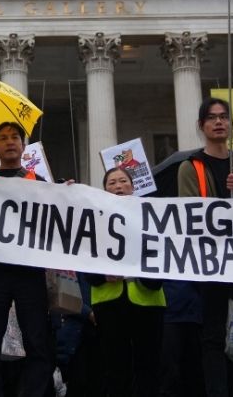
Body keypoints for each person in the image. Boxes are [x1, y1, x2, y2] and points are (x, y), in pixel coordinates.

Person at [176, 98, 233, 397]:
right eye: (212, 117)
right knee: (212, 336)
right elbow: (187, 213)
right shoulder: (190, 168)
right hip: (211, 261)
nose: (219, 122)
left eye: (224, 117)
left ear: (230, 124)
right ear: (202, 125)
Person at [0, 122, 53, 397]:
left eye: (14, 137)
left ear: (22, 145)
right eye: (3, 138)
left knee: (37, 342)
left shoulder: (39, 183)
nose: (9, 142)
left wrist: (69, 194)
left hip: (28, 272)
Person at [86, 167, 165, 397]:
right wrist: (102, 276)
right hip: (109, 302)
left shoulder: (151, 217)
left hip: (148, 300)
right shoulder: (95, 219)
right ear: (104, 189)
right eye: (111, 182)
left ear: (133, 187)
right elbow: (84, 259)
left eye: (123, 181)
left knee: (149, 367)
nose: (118, 186)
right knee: (115, 368)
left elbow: (162, 255)